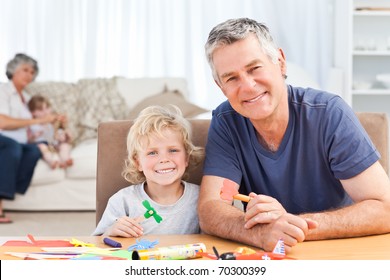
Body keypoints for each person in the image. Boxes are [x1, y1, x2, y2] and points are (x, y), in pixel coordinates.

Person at [198, 18, 390, 252]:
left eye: (254, 68)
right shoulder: (226, 121)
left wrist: (291, 227)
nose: (247, 86)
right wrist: (260, 233)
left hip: (337, 250)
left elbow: (384, 208)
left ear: (280, 63)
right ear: (220, 86)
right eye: (231, 78)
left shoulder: (330, 113)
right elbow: (210, 207)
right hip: (270, 256)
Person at [93, 105, 204, 236]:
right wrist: (110, 231)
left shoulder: (202, 198)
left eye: (173, 150)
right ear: (137, 162)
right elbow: (97, 244)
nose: (164, 159)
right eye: (152, 153)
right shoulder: (122, 201)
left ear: (187, 157)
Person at [0, 53, 57, 223]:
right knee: (13, 147)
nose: (29, 74)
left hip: (19, 141)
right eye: (25, 69)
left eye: (32, 72)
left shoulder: (26, 97)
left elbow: (30, 127)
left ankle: (9, 189)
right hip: (3, 138)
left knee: (34, 150)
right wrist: (40, 119)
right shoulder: (3, 90)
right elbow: (2, 121)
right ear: (12, 70)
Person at [28, 95, 73, 169]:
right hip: (42, 145)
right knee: (42, 147)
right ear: (33, 113)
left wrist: (61, 136)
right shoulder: (32, 125)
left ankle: (65, 160)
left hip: (53, 144)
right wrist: (34, 136)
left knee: (64, 145)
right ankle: (52, 162)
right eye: (40, 110)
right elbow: (29, 140)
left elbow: (57, 134)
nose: (45, 112)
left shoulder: (52, 123)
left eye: (47, 108)